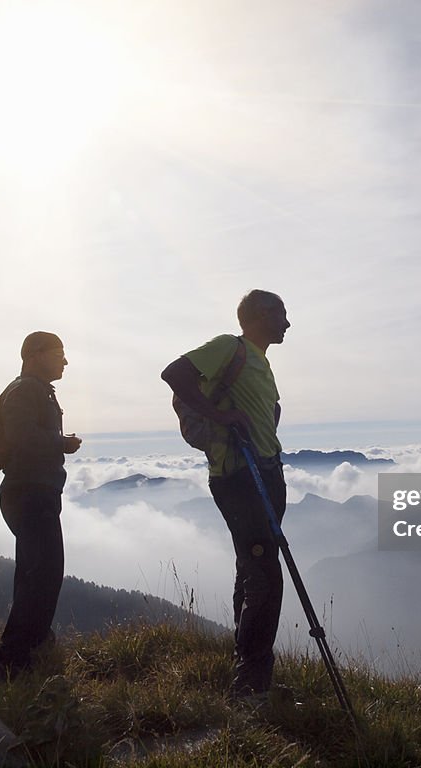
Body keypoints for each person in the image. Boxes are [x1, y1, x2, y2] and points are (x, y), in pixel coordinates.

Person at [161, 290, 291, 698]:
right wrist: (219, 416)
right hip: (238, 476)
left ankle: (246, 669)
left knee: (251, 571)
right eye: (279, 314)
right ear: (255, 316)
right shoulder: (228, 347)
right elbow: (174, 373)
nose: (286, 323)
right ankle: (252, 683)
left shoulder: (261, 361)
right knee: (266, 577)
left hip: (266, 472)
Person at [0, 331, 82, 681]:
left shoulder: (34, 389)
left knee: (36, 573)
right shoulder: (26, 389)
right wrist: (62, 443)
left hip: (32, 493)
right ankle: (10, 661)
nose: (65, 361)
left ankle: (32, 649)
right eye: (59, 353)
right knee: (42, 574)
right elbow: (20, 435)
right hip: (30, 493)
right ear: (36, 354)